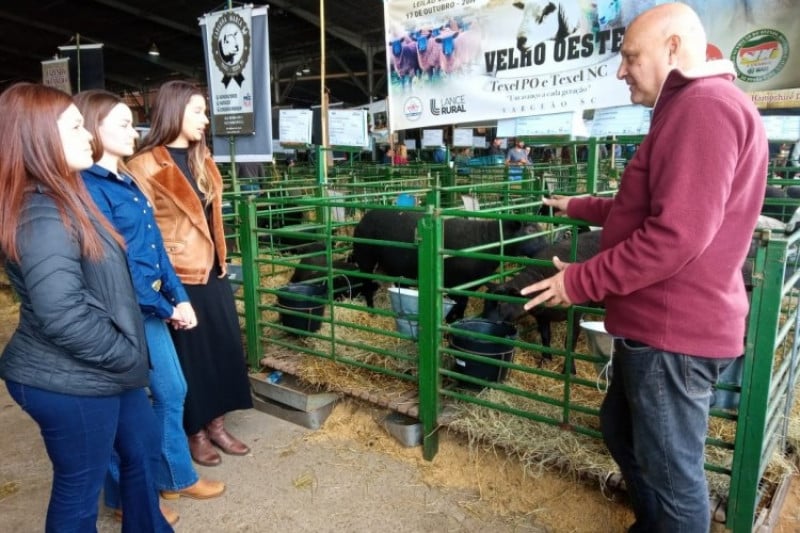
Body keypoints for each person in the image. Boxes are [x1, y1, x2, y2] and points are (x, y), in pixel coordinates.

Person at [519, 4, 767, 532]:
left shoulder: (703, 109)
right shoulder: (691, 108)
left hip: (671, 334)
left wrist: (578, 281)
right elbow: (653, 207)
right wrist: (577, 205)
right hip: (661, 326)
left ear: (672, 48)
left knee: (673, 477)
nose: (620, 70)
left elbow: (675, 236)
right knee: (622, 430)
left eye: (630, 57)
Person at [0, 83, 171, 531]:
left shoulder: (67, 196)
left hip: (102, 367)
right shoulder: (40, 216)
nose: (87, 136)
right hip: (68, 378)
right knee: (79, 491)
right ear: (38, 138)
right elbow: (63, 315)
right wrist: (126, 354)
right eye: (75, 127)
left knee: (142, 446)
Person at [74, 90, 226, 513]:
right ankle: (127, 498)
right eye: (122, 124)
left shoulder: (124, 179)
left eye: (132, 122)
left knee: (172, 390)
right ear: (92, 130)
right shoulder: (86, 189)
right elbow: (114, 263)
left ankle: (174, 477)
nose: (133, 130)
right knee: (122, 407)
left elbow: (154, 246)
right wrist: (167, 305)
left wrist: (176, 296)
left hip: (150, 305)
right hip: (114, 312)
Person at [127, 80, 253, 468]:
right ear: (175, 111)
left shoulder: (203, 158)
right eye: (197, 111)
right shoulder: (144, 164)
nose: (205, 118)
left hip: (213, 269)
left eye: (205, 111)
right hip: (178, 274)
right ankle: (195, 431)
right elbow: (142, 232)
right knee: (190, 356)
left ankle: (217, 423)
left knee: (222, 347)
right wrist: (162, 285)